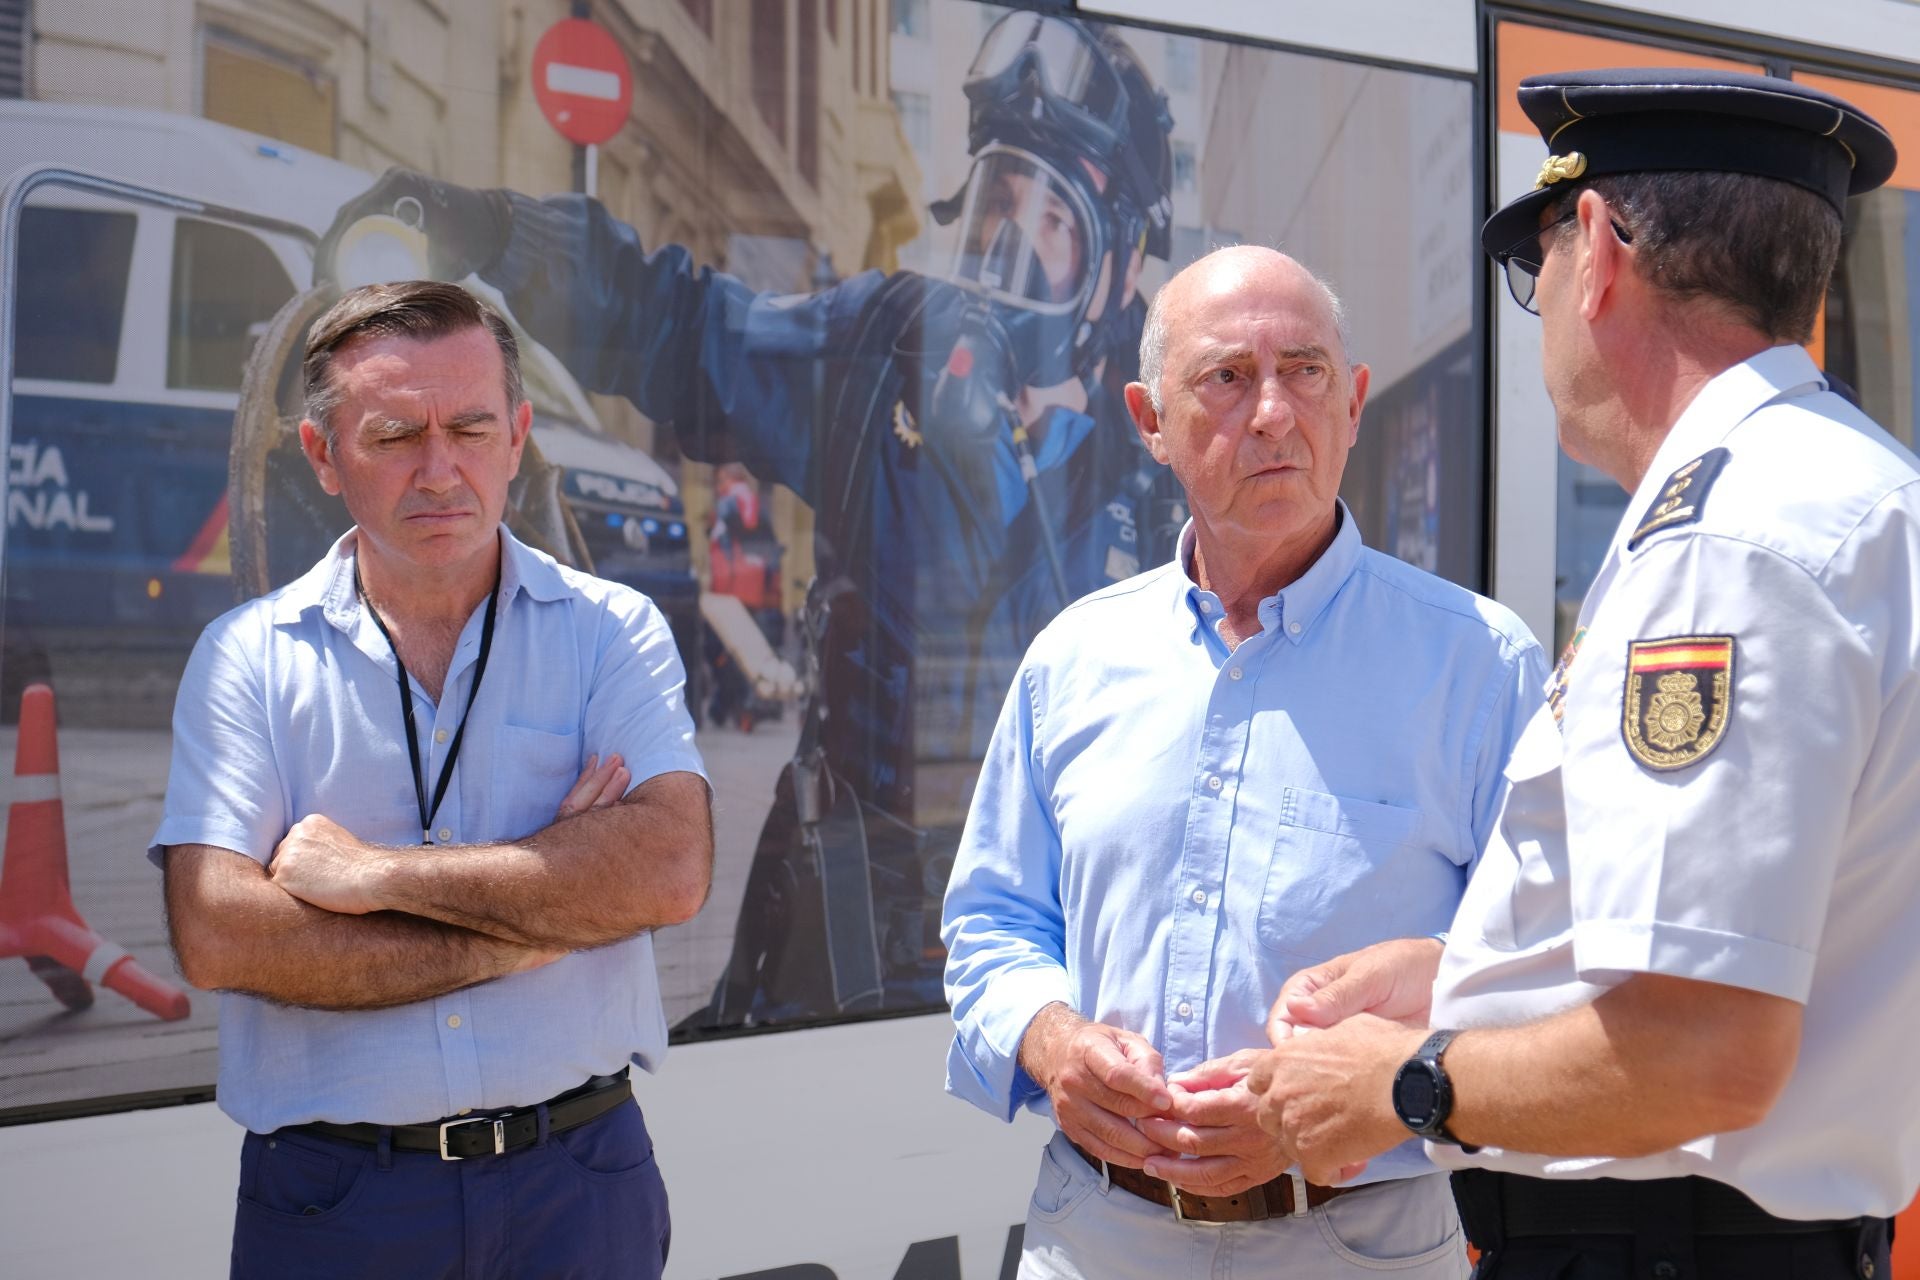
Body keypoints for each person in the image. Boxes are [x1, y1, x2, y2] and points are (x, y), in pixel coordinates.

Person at [317, 12, 1184, 1029]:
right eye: (997, 200)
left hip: (1056, 926)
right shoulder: (886, 349)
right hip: (842, 905)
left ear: (1119, 267)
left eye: (1051, 222)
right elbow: (683, 327)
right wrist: (505, 237)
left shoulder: (1160, 464)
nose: (1005, 247)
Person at [1240, 69, 1915, 1280]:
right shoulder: (1853, 493)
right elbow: (1745, 940)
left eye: (1534, 264)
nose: (1538, 299)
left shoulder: (1729, 542)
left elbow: (1704, 1046)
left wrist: (1402, 1083)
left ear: (1596, 249)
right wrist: (1469, 976)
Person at [941, 245, 1546, 1278]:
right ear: (1149, 420)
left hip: (1361, 1240)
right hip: (1096, 1232)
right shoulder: (1072, 659)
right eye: (1226, 376)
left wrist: (1343, 1103)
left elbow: (1546, 976)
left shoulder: (1480, 664)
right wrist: (1047, 1036)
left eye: (1305, 370)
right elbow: (991, 921)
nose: (1272, 411)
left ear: (1353, 402)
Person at [152, 281, 714, 1279]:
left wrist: (376, 877)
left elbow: (669, 865)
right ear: (323, 455)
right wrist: (544, 915)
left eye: (469, 425)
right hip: (340, 1201)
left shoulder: (609, 630)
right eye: (394, 434)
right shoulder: (247, 657)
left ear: (517, 437)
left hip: (577, 1181)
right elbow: (220, 931)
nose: (440, 466)